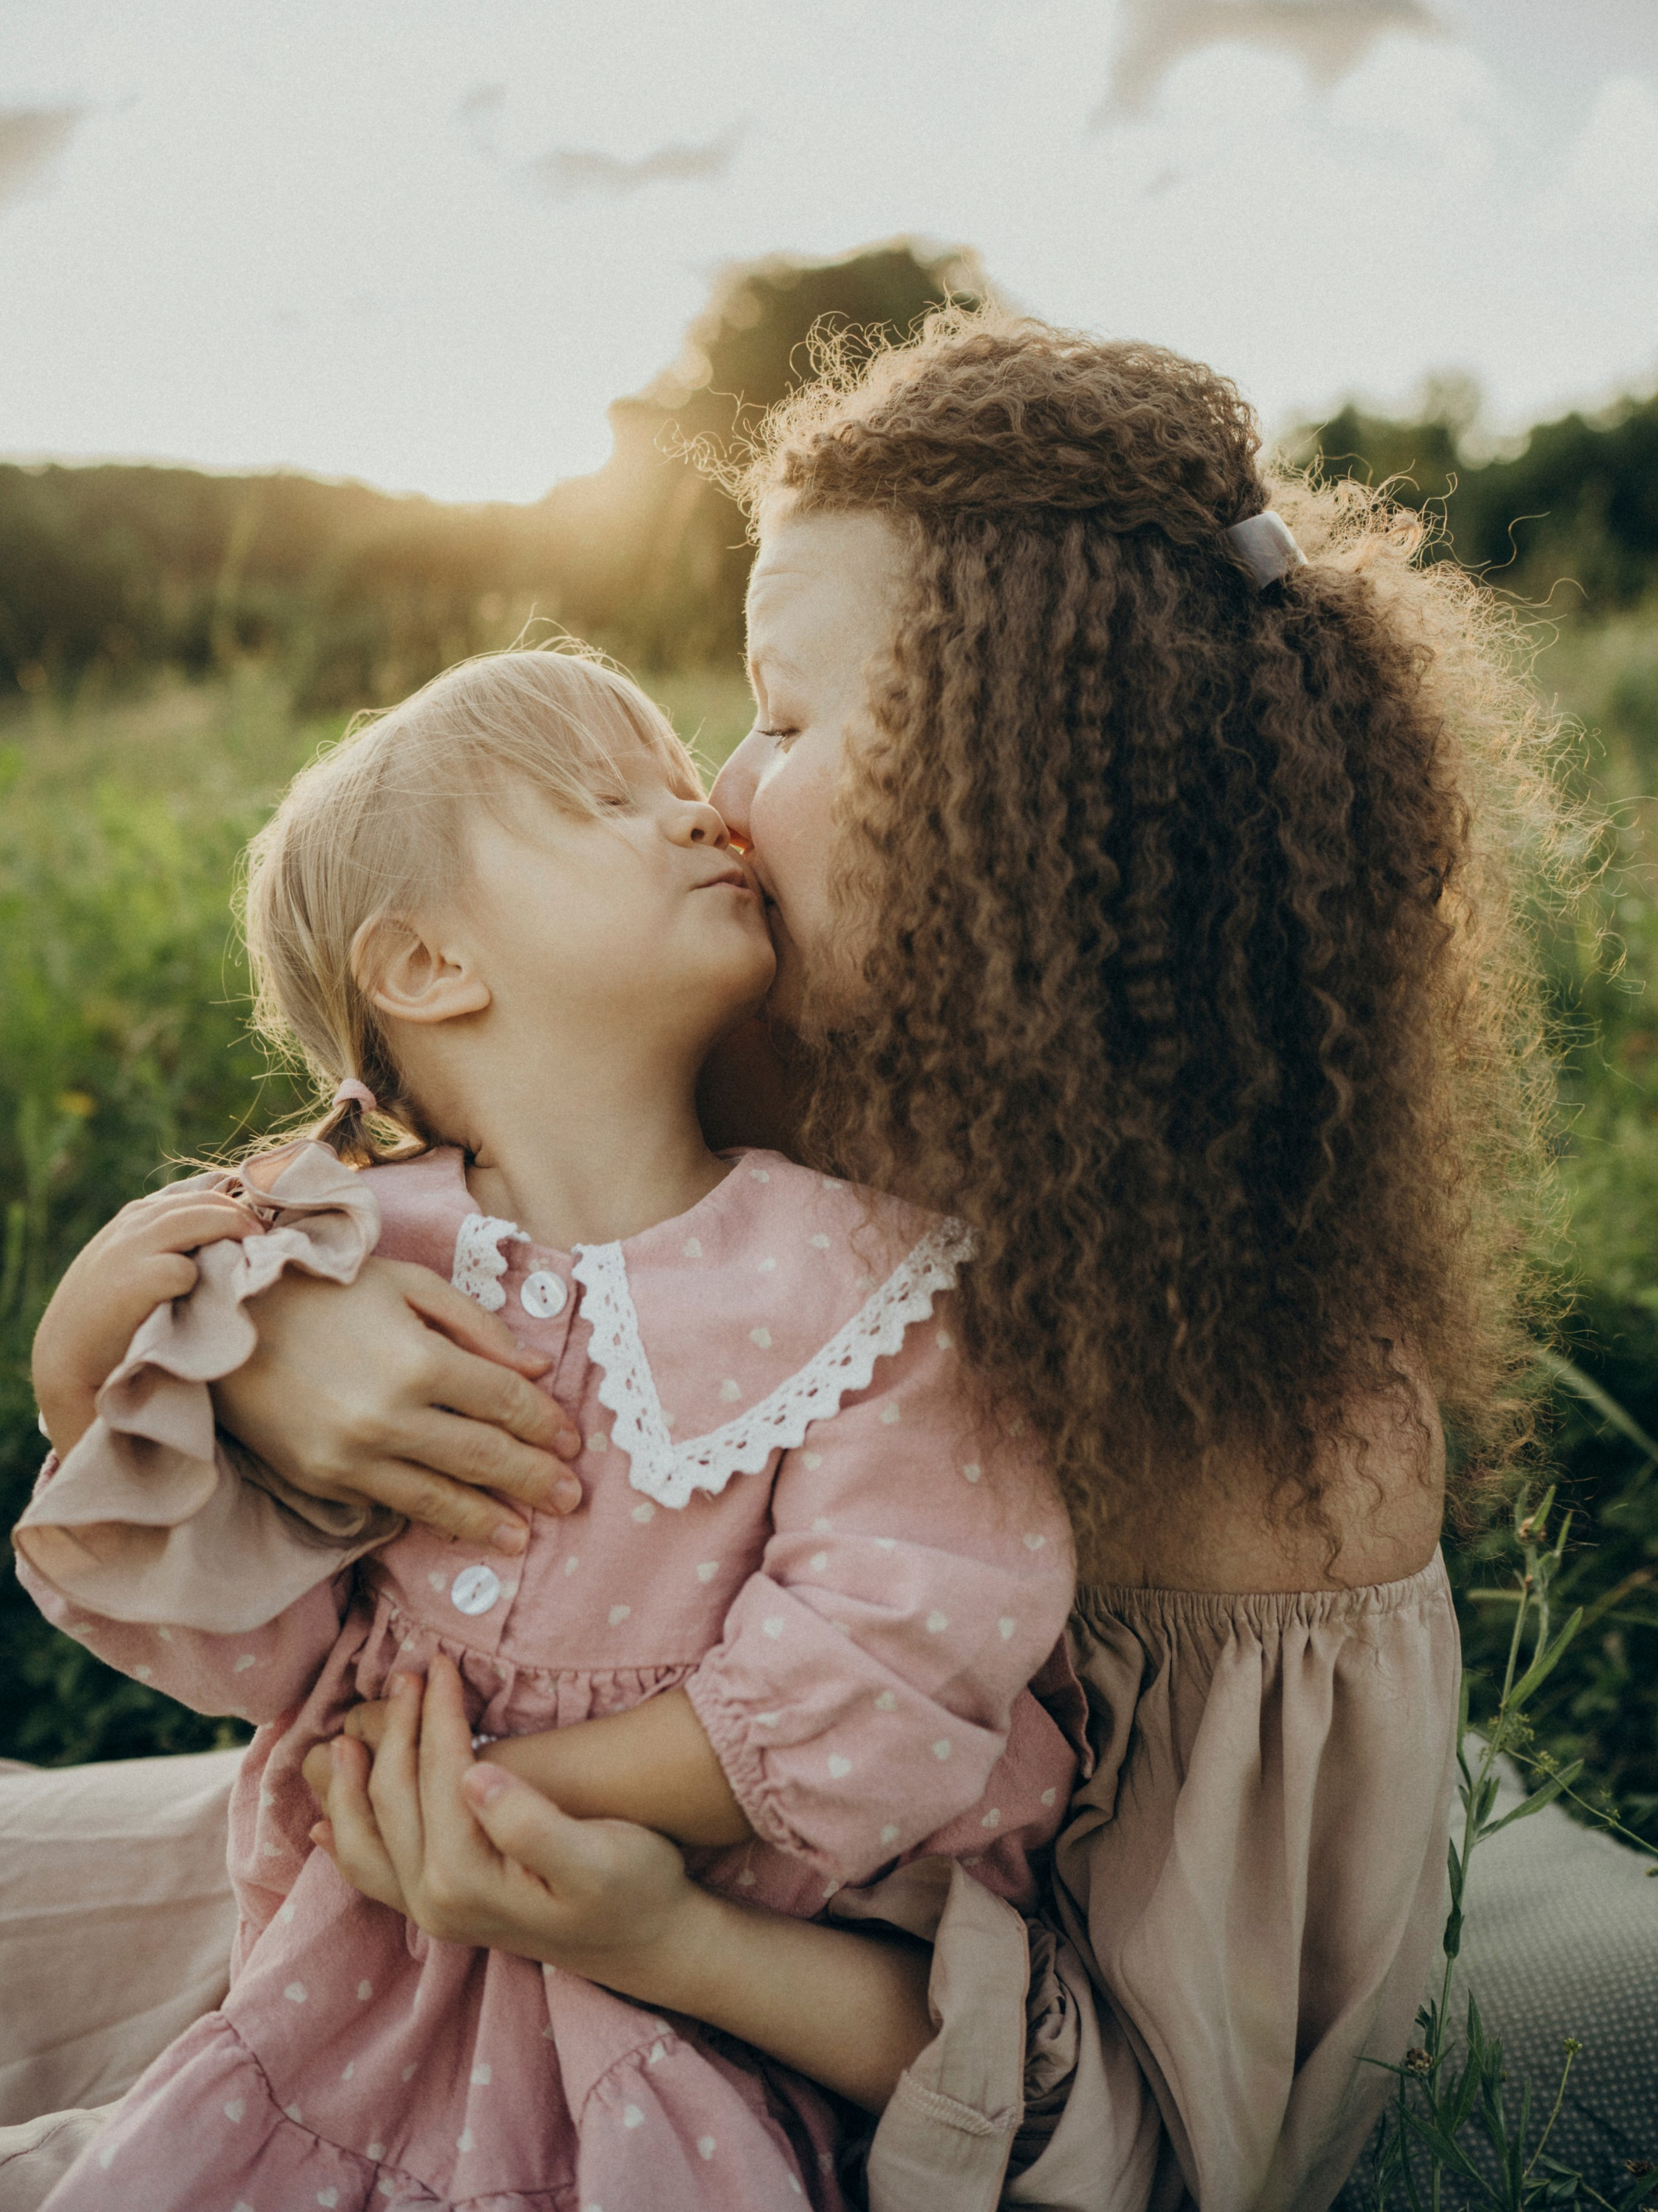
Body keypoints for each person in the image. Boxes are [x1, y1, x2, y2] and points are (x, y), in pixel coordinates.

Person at [5, 312, 1561, 2209]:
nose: (721, 793)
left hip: (686, 2000)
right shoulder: (770, 1046)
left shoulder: (1283, 1443)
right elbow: (380, 1144)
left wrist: (655, 1932)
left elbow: (1172, 2148)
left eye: (791, 718)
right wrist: (282, 1344)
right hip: (366, 1881)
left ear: (1023, 797)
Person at [14, 644, 1079, 2211]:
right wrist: (84, 1348)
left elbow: (885, 1669)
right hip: (351, 1999)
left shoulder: (869, 1275)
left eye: (675, 777)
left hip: (685, 2016)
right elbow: (250, 1635)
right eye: (604, 800)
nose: (696, 813)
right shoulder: (340, 1256)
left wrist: (488, 1793)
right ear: (430, 965)